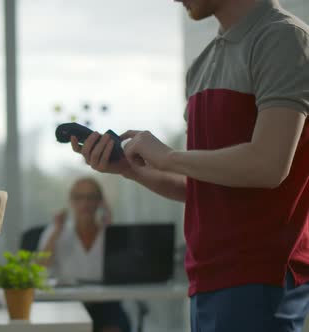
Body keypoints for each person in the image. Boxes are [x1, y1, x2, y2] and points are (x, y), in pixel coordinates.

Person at [70, 0, 309, 331]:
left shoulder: (283, 38)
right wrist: (130, 169)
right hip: (207, 279)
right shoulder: (202, 65)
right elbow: (200, 185)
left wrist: (168, 158)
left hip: (261, 276)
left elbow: (269, 164)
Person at [38, 177, 131, 332]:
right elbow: (40, 268)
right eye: (79, 197)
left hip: (105, 303)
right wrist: (56, 233)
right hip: (66, 303)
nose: (85, 203)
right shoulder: (55, 231)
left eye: (91, 197)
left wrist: (111, 232)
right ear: (71, 201)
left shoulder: (109, 232)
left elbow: (125, 271)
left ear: (100, 202)